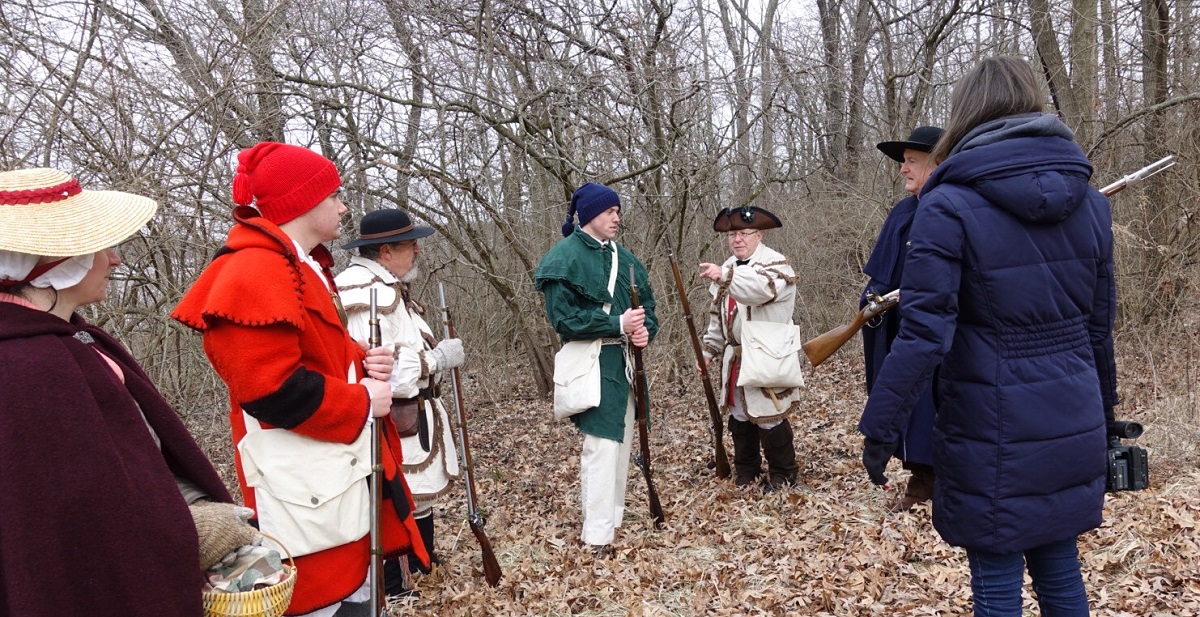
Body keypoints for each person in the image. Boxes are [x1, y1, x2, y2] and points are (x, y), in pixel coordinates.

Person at [859, 56, 1117, 616]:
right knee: (1059, 566)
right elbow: (1100, 330)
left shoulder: (946, 205)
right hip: (1073, 415)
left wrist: (880, 426)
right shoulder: (1092, 206)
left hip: (989, 419)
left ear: (965, 113)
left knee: (998, 581)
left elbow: (924, 335)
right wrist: (1108, 414)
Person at [172, 142, 428, 616]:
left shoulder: (299, 264)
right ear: (303, 203)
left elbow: (313, 349)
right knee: (323, 604)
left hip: (335, 473)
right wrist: (360, 401)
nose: (343, 205)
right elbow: (271, 390)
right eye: (334, 195)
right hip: (305, 488)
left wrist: (361, 360)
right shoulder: (255, 269)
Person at [0, 167, 257, 616]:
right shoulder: (27, 368)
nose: (115, 260)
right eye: (101, 249)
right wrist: (189, 528)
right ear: (55, 268)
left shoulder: (75, 340)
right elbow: (77, 520)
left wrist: (186, 504)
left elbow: (130, 464)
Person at [335, 209, 462, 597]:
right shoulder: (364, 292)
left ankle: (423, 564)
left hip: (412, 410)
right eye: (410, 245)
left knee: (416, 491)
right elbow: (380, 366)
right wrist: (435, 360)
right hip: (391, 413)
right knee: (395, 495)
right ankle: (398, 583)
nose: (418, 252)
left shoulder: (383, 285)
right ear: (386, 251)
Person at [534, 182, 659, 555]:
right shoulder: (563, 258)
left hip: (625, 363)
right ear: (590, 215)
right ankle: (597, 535)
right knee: (602, 447)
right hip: (592, 361)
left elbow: (648, 309)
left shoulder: (627, 259)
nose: (617, 218)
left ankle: (611, 520)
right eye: (610, 212)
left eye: (618, 212)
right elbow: (565, 320)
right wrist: (618, 324)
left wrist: (644, 333)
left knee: (621, 446)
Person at [860, 126, 943, 512]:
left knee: (935, 404)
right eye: (903, 161)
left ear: (937, 161)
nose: (902, 169)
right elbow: (883, 275)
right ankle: (920, 476)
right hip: (897, 327)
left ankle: (936, 478)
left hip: (938, 330)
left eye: (911, 161)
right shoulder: (903, 211)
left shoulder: (950, 207)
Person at [698, 206, 801, 491]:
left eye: (744, 233)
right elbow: (718, 315)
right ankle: (747, 470)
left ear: (759, 234)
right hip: (736, 356)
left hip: (769, 354)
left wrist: (724, 276)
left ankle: (784, 473)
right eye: (732, 234)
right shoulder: (728, 266)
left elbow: (758, 291)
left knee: (770, 415)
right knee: (740, 415)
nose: (737, 239)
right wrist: (709, 350)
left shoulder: (776, 265)